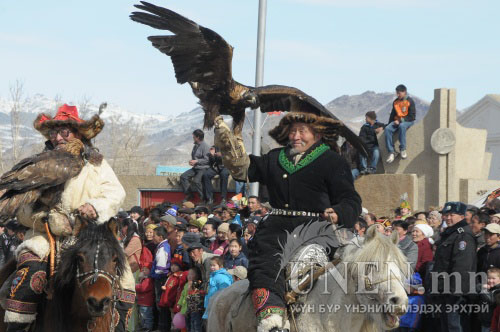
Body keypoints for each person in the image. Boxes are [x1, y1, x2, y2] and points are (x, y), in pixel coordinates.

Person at [214, 112, 361, 331]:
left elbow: (351, 199)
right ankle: (271, 320)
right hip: (276, 228)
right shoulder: (275, 157)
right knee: (266, 264)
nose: (296, 136)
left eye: (303, 131)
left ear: (317, 134)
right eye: (292, 131)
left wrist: (339, 212)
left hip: (316, 229)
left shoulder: (332, 161)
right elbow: (246, 169)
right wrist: (231, 149)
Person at [5, 104, 135, 331]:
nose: (57, 137)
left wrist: (96, 207)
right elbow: (22, 209)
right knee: (31, 270)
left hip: (90, 236)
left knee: (125, 282)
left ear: (79, 133)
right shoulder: (41, 164)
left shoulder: (97, 164)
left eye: (64, 132)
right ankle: (17, 326)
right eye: (53, 132)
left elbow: (117, 193)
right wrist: (46, 219)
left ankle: (119, 326)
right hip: (46, 238)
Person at [431, 201, 477, 332]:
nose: (448, 218)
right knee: (446, 326)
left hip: (456, 291)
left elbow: (462, 265)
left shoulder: (463, 235)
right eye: (446, 214)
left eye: (452, 215)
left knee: (455, 326)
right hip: (443, 288)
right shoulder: (449, 233)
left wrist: (454, 290)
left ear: (462, 216)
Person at [385, 84, 416, 163]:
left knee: (402, 126)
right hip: (397, 121)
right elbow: (392, 114)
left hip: (408, 121)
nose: (397, 95)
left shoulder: (410, 101)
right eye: (397, 93)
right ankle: (392, 152)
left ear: (404, 92)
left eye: (399, 93)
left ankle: (403, 149)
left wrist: (401, 120)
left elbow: (412, 116)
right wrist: (388, 124)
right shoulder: (395, 102)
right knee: (388, 129)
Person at [180, 129, 210, 202]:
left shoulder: (205, 146)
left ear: (198, 137)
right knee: (183, 177)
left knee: (196, 181)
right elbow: (195, 158)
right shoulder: (195, 146)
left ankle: (203, 199)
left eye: (194, 137)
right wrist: (192, 162)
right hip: (196, 168)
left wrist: (197, 161)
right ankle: (189, 194)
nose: (193, 138)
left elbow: (207, 160)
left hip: (203, 168)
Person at [150, 226, 171, 332]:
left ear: (160, 237)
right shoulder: (162, 246)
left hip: (161, 279)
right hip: (159, 278)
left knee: (161, 303)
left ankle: (163, 328)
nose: (152, 238)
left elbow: (161, 268)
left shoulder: (163, 248)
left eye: (154, 236)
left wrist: (151, 274)